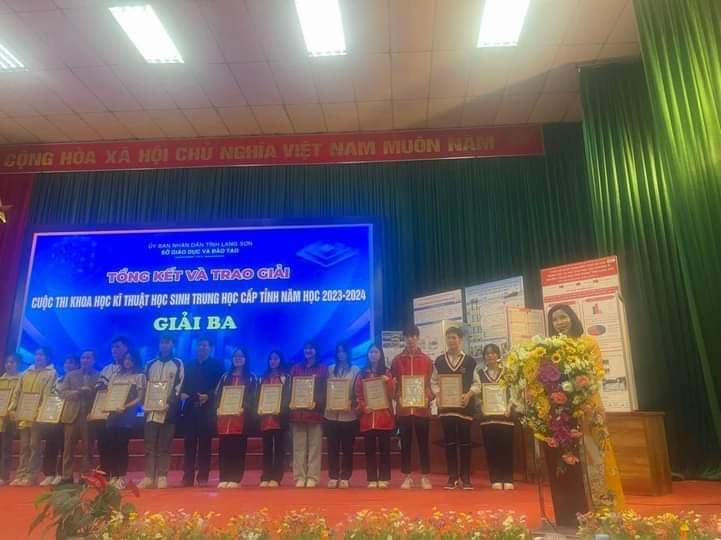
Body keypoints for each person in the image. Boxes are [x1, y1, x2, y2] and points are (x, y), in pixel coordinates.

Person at [547, 303, 625, 510]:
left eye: (563, 317)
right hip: (563, 409)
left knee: (595, 452)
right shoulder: (551, 348)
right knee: (570, 454)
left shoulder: (589, 342)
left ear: (572, 318)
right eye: (555, 320)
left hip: (588, 405)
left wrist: (578, 392)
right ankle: (578, 509)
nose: (559, 323)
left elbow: (596, 373)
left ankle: (605, 505)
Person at [431, 326, 481, 490]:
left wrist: (469, 394)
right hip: (446, 409)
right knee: (450, 442)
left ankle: (465, 477)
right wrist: (438, 395)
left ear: (461, 340)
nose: (451, 340)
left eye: (454, 337)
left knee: (465, 442)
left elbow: (477, 384)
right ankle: (452, 476)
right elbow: (434, 382)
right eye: (449, 338)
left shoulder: (470, 361)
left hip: (465, 407)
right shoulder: (439, 361)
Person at [390, 325, 433, 490]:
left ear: (418, 338)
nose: (411, 339)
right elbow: (393, 384)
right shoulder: (396, 360)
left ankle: (425, 476)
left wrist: (428, 396)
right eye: (408, 336)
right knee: (405, 443)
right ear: (404, 339)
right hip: (404, 410)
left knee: (423, 443)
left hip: (422, 410)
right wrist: (397, 397)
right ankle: (407, 476)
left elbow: (430, 384)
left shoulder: (427, 360)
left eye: (414, 336)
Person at [139, 335, 184, 489]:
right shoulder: (150, 364)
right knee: (149, 445)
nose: (164, 345)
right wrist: (144, 402)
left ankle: (162, 476)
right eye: (162, 342)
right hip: (151, 411)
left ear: (172, 344)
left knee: (165, 445)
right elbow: (144, 386)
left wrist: (169, 403)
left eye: (167, 342)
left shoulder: (178, 363)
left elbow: (179, 386)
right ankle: (148, 476)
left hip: (168, 412)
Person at [180, 337, 224, 487]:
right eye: (199, 345)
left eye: (205, 345)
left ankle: (203, 477)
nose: (202, 348)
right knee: (189, 445)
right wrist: (182, 393)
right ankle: (187, 477)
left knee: (205, 445)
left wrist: (209, 396)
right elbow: (182, 385)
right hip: (190, 410)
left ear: (210, 348)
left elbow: (221, 387)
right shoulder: (188, 366)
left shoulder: (218, 366)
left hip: (208, 410)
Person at [10, 347, 56, 486]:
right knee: (24, 446)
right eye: (37, 354)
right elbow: (17, 392)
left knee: (34, 446)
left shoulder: (51, 373)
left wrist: (40, 412)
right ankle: (20, 474)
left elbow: (48, 394)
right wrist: (13, 408)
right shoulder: (25, 373)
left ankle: (31, 476)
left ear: (48, 358)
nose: (39, 357)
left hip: (37, 417)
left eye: (42, 355)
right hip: (24, 415)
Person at [215, 348, 257, 488]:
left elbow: (254, 397)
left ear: (246, 359)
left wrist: (244, 407)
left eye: (241, 356)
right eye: (235, 356)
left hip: (241, 419)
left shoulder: (251, 378)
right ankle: (223, 477)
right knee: (224, 448)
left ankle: (235, 478)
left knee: (238, 448)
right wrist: (218, 408)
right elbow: (218, 395)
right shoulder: (225, 377)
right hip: (225, 419)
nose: (238, 358)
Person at [355, 344, 395, 489]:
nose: (373, 354)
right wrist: (363, 407)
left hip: (384, 417)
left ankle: (384, 478)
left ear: (380, 354)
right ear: (368, 355)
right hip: (368, 417)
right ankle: (371, 478)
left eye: (376, 352)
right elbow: (358, 394)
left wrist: (388, 382)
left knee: (385, 449)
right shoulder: (362, 373)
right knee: (369, 450)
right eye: (371, 352)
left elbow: (393, 394)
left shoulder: (387, 372)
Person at [289, 342, 327, 488]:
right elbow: (291, 389)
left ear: (316, 350)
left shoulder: (322, 369)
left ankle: (312, 477)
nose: (308, 351)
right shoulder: (296, 368)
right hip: (298, 414)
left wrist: (317, 403)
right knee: (298, 447)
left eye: (311, 348)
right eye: (306, 348)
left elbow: (325, 390)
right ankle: (299, 476)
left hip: (315, 414)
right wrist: (291, 402)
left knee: (314, 447)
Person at [477, 343, 515, 490]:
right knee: (491, 448)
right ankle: (495, 478)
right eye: (487, 353)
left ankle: (508, 478)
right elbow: (477, 395)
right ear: (484, 357)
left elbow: (514, 392)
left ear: (498, 355)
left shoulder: (508, 373)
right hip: (488, 418)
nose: (490, 356)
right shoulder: (480, 374)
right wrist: (481, 406)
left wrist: (510, 406)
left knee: (507, 447)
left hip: (505, 417)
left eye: (493, 353)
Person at [106, 351, 146, 490]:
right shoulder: (116, 376)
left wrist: (125, 406)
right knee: (112, 445)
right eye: (126, 358)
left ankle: (121, 477)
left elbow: (140, 398)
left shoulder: (139, 376)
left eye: (131, 359)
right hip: (113, 413)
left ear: (136, 361)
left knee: (122, 445)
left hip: (127, 414)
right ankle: (113, 475)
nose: (128, 361)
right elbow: (109, 394)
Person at [58, 349, 99, 483]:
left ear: (94, 360)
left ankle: (85, 476)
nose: (85, 360)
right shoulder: (71, 375)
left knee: (88, 448)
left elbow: (101, 395)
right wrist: (78, 392)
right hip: (71, 416)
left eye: (88, 358)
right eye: (83, 358)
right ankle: (66, 476)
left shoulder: (98, 376)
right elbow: (62, 393)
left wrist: (91, 392)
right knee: (68, 448)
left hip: (89, 416)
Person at [324, 342, 359, 488]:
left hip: (348, 415)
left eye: (343, 351)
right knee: (332, 447)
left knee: (347, 448)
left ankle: (345, 476)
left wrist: (352, 402)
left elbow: (358, 390)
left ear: (348, 353)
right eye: (338, 351)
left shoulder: (355, 370)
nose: (341, 354)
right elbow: (325, 389)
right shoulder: (330, 369)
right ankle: (333, 476)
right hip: (331, 415)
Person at [95, 337, 129, 475]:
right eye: (113, 347)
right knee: (104, 444)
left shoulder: (131, 368)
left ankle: (119, 476)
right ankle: (106, 475)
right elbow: (99, 387)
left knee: (120, 444)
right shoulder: (107, 369)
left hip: (122, 414)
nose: (115, 350)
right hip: (105, 413)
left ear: (126, 348)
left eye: (118, 347)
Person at [259, 350, 290, 488]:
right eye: (271, 359)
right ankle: (265, 476)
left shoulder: (285, 377)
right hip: (265, 418)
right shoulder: (262, 378)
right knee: (266, 448)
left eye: (276, 358)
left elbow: (288, 396)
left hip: (279, 418)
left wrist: (281, 409)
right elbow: (258, 396)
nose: (273, 361)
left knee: (279, 449)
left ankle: (276, 477)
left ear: (280, 360)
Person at [0, 354, 21, 486]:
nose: (9, 364)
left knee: (6, 448)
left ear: (18, 364)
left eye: (12, 362)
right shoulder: (1, 380)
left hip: (10, 418)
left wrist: (11, 409)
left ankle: (4, 476)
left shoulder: (20, 380)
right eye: (7, 362)